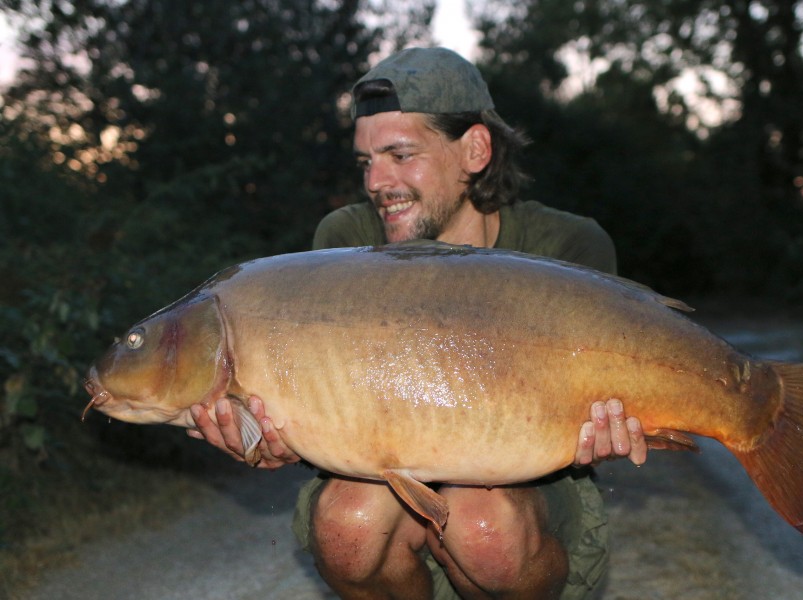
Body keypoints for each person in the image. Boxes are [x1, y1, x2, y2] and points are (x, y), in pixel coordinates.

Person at [187, 47, 648, 599]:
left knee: (484, 528)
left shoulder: (567, 247)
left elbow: (607, 396)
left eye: (401, 155)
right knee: (348, 525)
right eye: (366, 162)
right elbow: (316, 405)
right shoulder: (342, 246)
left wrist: (608, 426)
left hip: (531, 492)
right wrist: (265, 437)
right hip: (383, 480)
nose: (377, 181)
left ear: (475, 150)